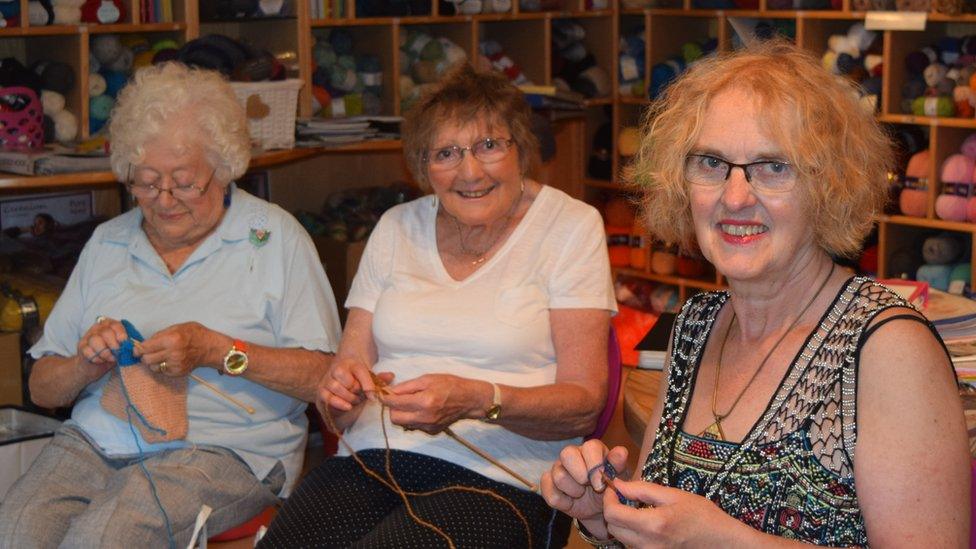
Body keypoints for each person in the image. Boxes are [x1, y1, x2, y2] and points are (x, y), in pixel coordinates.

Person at [542, 40, 971, 547]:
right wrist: (605, 518)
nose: (736, 196)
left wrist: (720, 539)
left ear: (829, 186)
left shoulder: (887, 349)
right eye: (711, 163)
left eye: (774, 166)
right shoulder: (697, 324)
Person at [260, 63, 617, 548]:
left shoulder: (570, 227)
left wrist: (478, 399)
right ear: (422, 167)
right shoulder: (394, 227)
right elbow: (344, 390)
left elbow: (583, 404)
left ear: (521, 150)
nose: (470, 172)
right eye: (445, 153)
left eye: (489, 146)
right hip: (371, 458)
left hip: (504, 475)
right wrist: (339, 395)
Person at [0, 62, 342, 547]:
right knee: (15, 528)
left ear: (223, 169)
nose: (163, 199)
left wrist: (218, 351)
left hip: (225, 449)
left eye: (184, 182)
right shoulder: (107, 243)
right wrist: (86, 363)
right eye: (145, 181)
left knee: (104, 537)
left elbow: (323, 378)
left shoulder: (273, 239)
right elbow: (43, 388)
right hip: (101, 439)